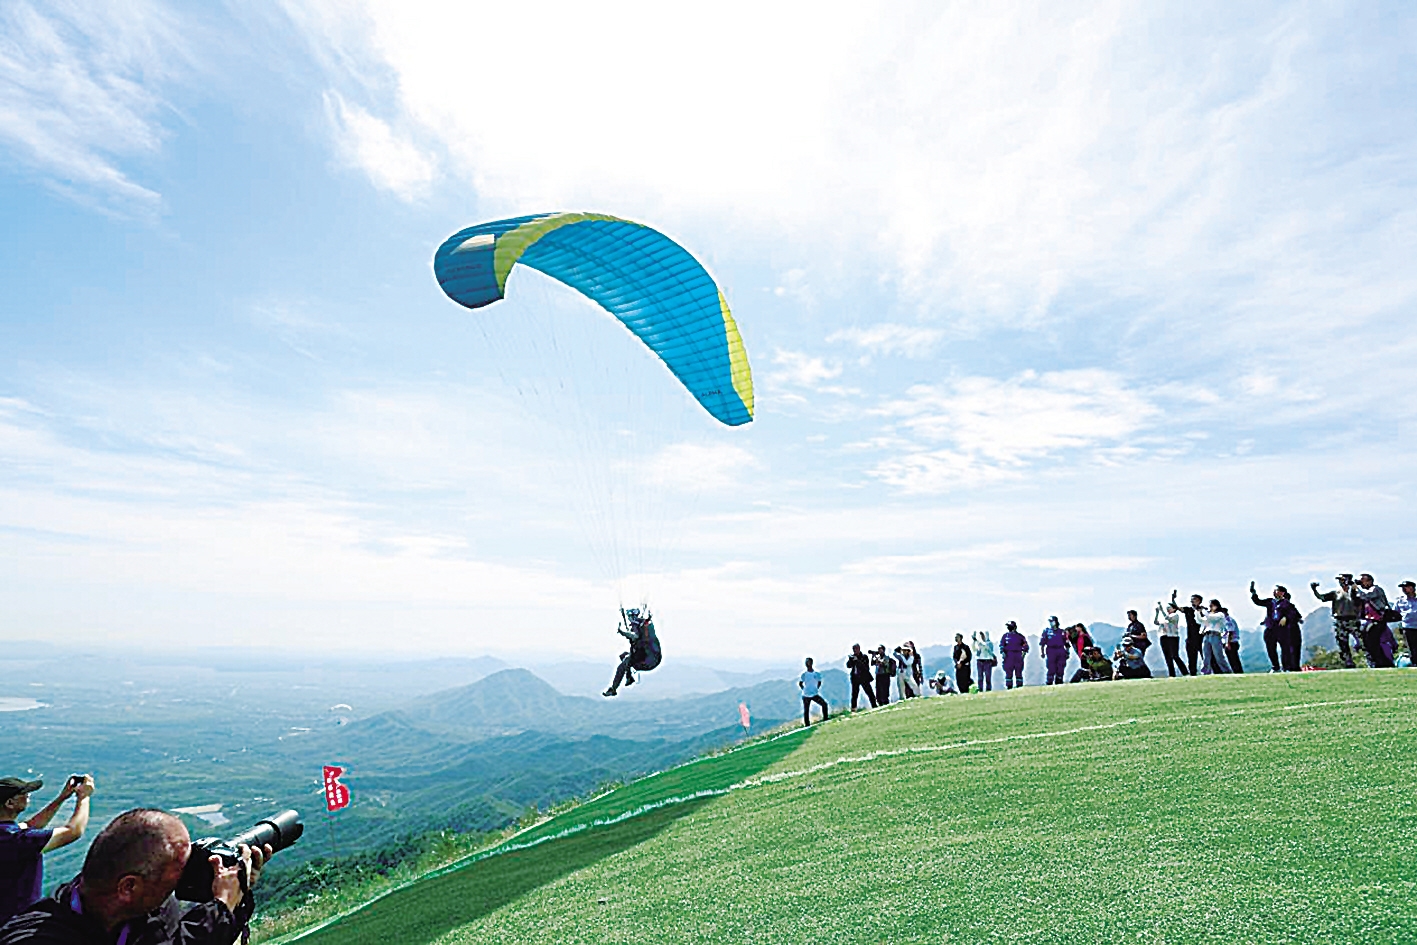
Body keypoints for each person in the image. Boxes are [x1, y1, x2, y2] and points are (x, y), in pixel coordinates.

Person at [0, 808, 273, 945]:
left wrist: (235, 897)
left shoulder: (152, 911)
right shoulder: (33, 938)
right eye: (180, 868)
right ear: (129, 887)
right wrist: (220, 909)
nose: (184, 875)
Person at [0, 777, 94, 927]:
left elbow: (30, 825)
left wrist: (62, 798)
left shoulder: (8, 834)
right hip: (14, 923)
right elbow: (73, 831)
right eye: (23, 793)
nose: (28, 795)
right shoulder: (17, 840)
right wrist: (84, 798)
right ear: (10, 803)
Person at [603, 607, 662, 697]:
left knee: (623, 664)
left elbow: (635, 636)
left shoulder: (639, 627)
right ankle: (629, 675)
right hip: (654, 658)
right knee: (623, 656)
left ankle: (614, 688)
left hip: (649, 661)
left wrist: (622, 632)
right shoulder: (644, 624)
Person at [1250, 582, 1302, 672]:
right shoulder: (1270, 602)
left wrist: (1286, 617)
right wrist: (1253, 593)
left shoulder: (1287, 604)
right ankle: (1275, 667)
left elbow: (1294, 615)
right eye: (1274, 590)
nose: (1274, 592)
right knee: (1270, 648)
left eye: (1276, 590)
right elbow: (1258, 601)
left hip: (1282, 629)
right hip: (1270, 628)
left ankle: (1286, 667)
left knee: (1285, 648)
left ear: (1282, 593)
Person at [1312, 575, 1363, 668]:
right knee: (1342, 642)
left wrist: (1354, 588)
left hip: (1353, 620)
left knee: (1362, 641)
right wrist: (1314, 590)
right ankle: (1348, 662)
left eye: (1342, 580)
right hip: (1340, 620)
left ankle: (1370, 659)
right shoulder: (1336, 592)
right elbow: (1321, 597)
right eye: (1340, 580)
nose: (1340, 582)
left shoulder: (1356, 591)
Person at [1353, 573, 1394, 669]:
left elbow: (1366, 596)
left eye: (1362, 581)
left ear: (1369, 581)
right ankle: (1376, 662)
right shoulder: (1366, 591)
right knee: (1369, 642)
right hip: (1370, 620)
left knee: (1374, 642)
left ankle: (1383, 662)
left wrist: (1356, 588)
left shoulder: (1376, 589)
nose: (1361, 584)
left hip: (1378, 620)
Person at [1172, 591, 1206, 675]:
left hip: (1202, 637)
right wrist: (1173, 599)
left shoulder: (1204, 610)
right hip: (1191, 638)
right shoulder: (1188, 610)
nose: (1192, 601)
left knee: (1206, 657)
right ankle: (1193, 673)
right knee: (1191, 658)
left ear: (1199, 601)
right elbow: (1176, 607)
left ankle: (1210, 671)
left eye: (1194, 599)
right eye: (1191, 599)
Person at [1154, 601, 1189, 677]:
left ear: (1174, 609)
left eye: (1169, 608)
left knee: (1175, 655)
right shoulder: (1165, 618)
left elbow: (1168, 618)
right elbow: (1156, 622)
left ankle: (1185, 672)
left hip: (1173, 637)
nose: (1168, 609)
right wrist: (1157, 613)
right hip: (1164, 637)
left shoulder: (1175, 615)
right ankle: (1172, 674)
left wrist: (1161, 610)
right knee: (1167, 657)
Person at [1199, 599, 1231, 675]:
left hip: (1215, 635)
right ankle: (1205, 672)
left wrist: (1203, 610)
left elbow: (1211, 618)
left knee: (1218, 656)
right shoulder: (1208, 614)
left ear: (1216, 606)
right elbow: (1200, 620)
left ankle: (1226, 671)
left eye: (1211, 605)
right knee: (1206, 655)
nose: (1210, 607)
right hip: (1207, 635)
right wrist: (1197, 611)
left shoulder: (1220, 614)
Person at [845, 644, 877, 710]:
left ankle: (874, 705)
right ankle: (853, 708)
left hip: (864, 677)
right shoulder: (853, 657)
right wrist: (851, 660)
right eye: (854, 649)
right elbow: (848, 666)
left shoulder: (864, 657)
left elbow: (866, 667)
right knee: (854, 694)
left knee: (869, 692)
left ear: (859, 649)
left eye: (856, 649)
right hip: (855, 678)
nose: (855, 651)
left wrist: (857, 661)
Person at [798, 658, 829, 727]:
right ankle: (807, 724)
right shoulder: (804, 674)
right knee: (806, 710)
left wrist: (815, 689)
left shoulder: (817, 674)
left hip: (814, 694)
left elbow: (819, 682)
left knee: (824, 704)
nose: (807, 664)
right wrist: (804, 689)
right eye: (806, 663)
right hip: (806, 695)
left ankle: (826, 718)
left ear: (812, 663)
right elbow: (800, 683)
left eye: (808, 662)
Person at [1040, 617, 1069, 685]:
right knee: (1051, 668)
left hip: (1061, 650)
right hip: (1051, 651)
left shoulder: (1062, 632)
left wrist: (1067, 652)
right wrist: (1042, 652)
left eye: (1052, 621)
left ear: (1056, 622)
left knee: (1060, 667)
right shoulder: (1046, 631)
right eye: (1050, 621)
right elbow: (1042, 643)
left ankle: (1059, 681)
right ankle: (1049, 682)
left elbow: (1067, 643)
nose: (1051, 623)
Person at [1000, 621, 1028, 689]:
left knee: (1018, 672)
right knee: (1008, 672)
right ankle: (1009, 686)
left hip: (1017, 655)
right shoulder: (1005, 636)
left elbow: (1025, 646)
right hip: (1008, 656)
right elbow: (1001, 645)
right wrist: (1003, 653)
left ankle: (1019, 686)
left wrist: (1023, 655)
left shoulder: (1020, 636)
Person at [1396, 581, 1417, 665]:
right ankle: (1415, 664)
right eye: (1403, 587)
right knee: (1412, 647)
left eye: (1406, 587)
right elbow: (1395, 613)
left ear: (1412, 588)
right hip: (1408, 626)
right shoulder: (1400, 601)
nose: (1404, 589)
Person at [1221, 606, 1244, 673]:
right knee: (1232, 659)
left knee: (1233, 659)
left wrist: (1227, 643)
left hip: (1231, 642)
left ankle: (1238, 672)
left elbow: (1230, 632)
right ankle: (1237, 671)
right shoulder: (1226, 620)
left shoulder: (1227, 620)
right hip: (1230, 642)